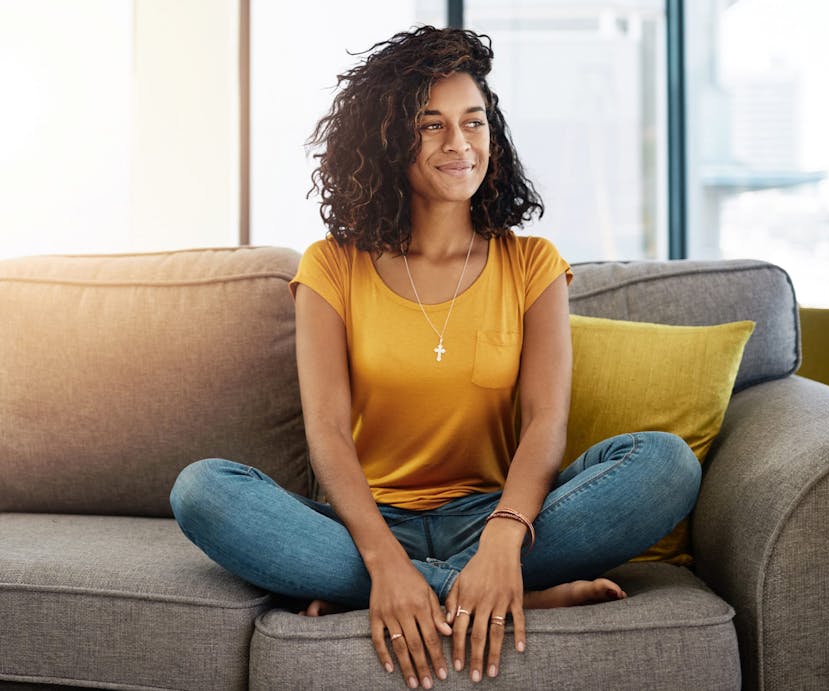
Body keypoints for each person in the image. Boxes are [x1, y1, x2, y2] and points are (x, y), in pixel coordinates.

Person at [169, 25, 701, 689]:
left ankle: (449, 586)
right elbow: (328, 432)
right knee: (201, 490)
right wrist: (383, 559)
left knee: (666, 465)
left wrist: (505, 540)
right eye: (433, 126)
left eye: (473, 122)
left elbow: (544, 422)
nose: (460, 144)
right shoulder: (332, 265)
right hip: (364, 525)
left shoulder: (530, 262)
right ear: (392, 141)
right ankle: (479, 595)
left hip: (502, 513)